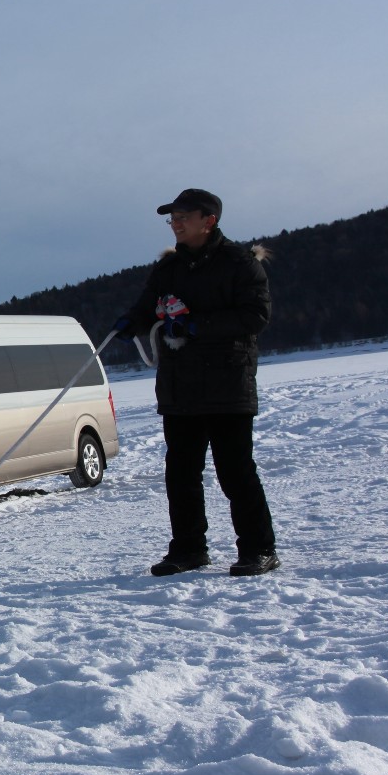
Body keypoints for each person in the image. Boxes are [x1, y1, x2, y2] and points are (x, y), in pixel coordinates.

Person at [113, 187, 279, 578]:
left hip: (227, 384)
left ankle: (259, 548)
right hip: (180, 386)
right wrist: (130, 322)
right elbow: (145, 306)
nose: (175, 224)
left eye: (182, 217)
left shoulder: (240, 263)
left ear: (209, 220)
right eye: (172, 218)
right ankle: (188, 549)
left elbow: (255, 317)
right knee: (181, 473)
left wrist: (196, 325)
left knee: (235, 471)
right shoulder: (168, 269)